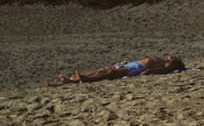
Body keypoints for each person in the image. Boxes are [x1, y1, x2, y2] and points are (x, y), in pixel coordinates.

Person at [48, 55, 185, 85]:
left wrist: (150, 72)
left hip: (135, 69)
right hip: (132, 65)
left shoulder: (168, 66)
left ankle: (84, 79)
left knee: (110, 73)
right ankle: (73, 79)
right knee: (103, 70)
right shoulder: (165, 61)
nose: (170, 56)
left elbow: (154, 72)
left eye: (173, 58)